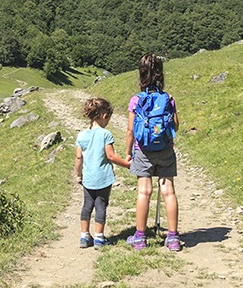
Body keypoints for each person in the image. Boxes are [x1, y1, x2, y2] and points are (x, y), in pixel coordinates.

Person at [125, 53, 181, 252]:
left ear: (140, 74)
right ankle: (173, 238)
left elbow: (131, 130)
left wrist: (129, 153)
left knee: (144, 192)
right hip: (165, 150)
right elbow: (175, 125)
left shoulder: (136, 100)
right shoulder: (168, 98)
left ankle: (140, 237)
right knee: (168, 192)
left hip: (143, 151)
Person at [74, 97, 130, 249]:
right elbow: (111, 156)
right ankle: (99, 238)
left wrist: (78, 174)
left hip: (88, 178)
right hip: (103, 178)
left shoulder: (81, 135)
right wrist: (127, 164)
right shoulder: (106, 134)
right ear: (104, 115)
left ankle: (84, 236)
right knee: (101, 205)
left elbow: (79, 157)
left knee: (87, 206)